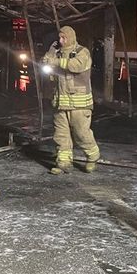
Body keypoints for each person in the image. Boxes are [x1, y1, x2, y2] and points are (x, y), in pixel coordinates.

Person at [41, 26, 100, 174]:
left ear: (71, 37)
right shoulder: (56, 52)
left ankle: (92, 157)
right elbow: (46, 63)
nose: (61, 40)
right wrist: (48, 56)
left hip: (79, 104)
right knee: (61, 135)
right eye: (60, 37)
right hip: (60, 103)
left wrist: (55, 61)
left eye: (64, 38)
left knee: (81, 134)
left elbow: (76, 66)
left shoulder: (82, 52)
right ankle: (63, 162)